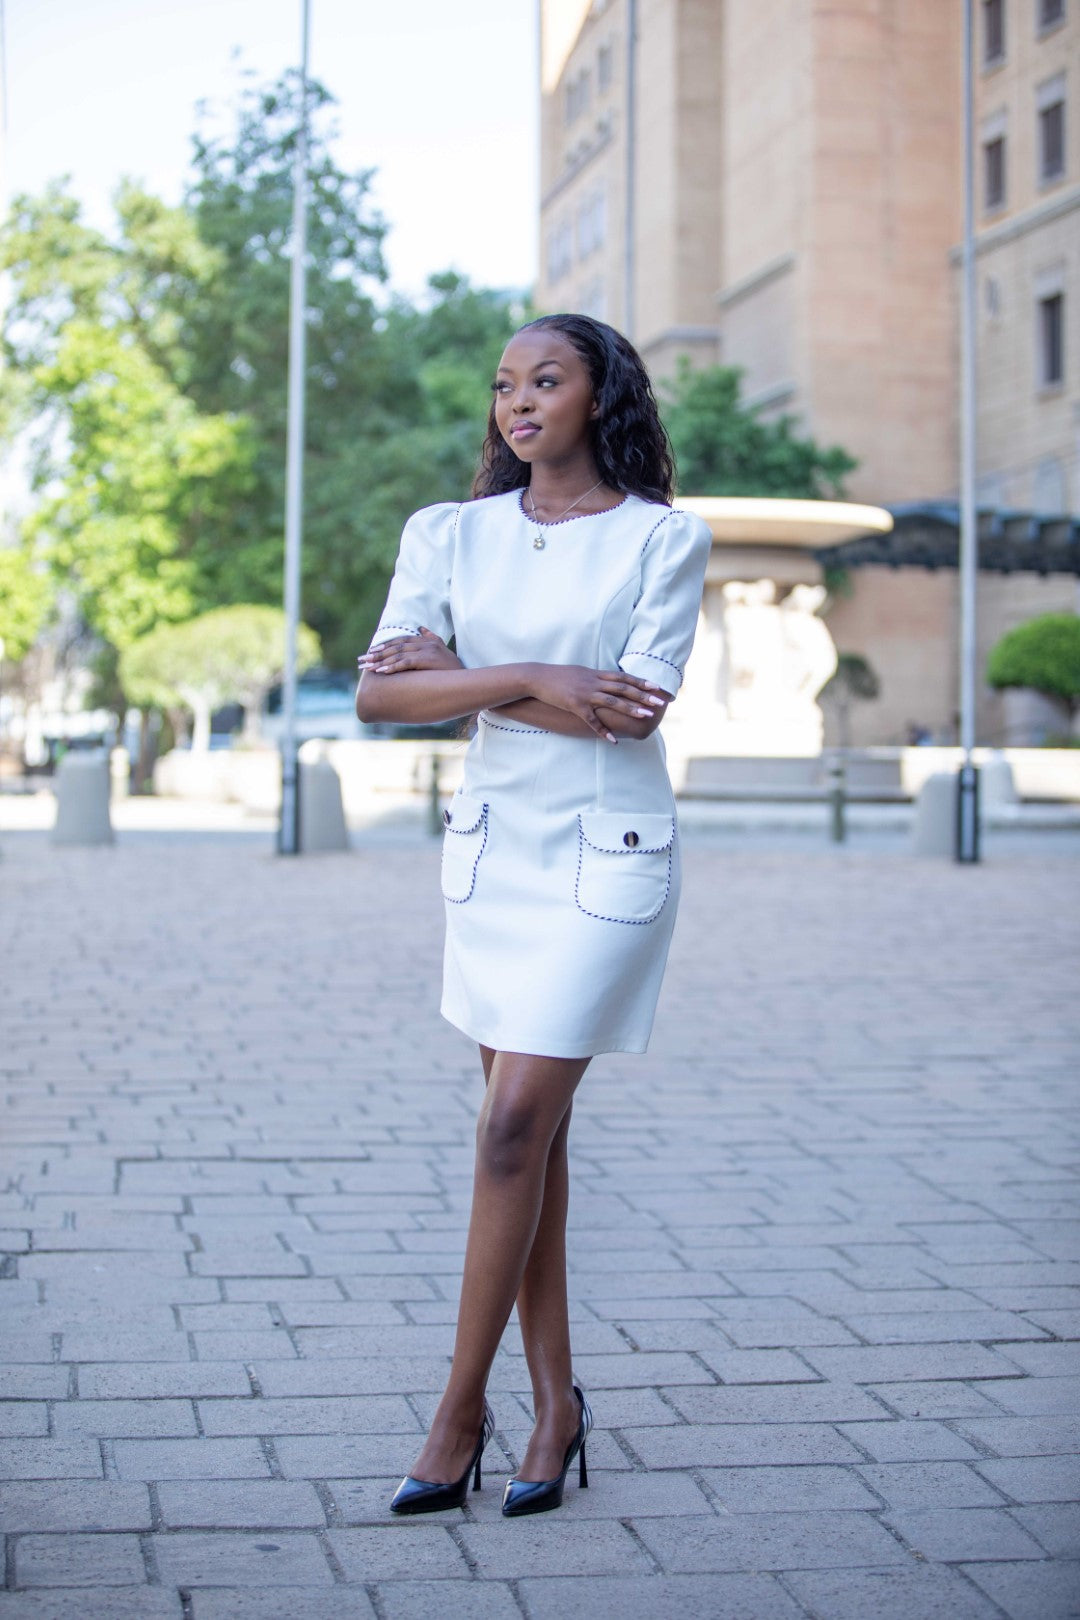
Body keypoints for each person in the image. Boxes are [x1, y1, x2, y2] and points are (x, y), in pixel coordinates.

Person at [356, 313, 711, 1518]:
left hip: (604, 866)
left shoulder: (666, 538)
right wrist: (544, 678)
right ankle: (555, 1405)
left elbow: (635, 712)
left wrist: (467, 675)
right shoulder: (447, 534)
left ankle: (459, 1411)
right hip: (495, 859)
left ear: (598, 396)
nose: (518, 402)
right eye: (504, 383)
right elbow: (374, 694)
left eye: (545, 380)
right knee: (533, 1143)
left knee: (511, 1129)